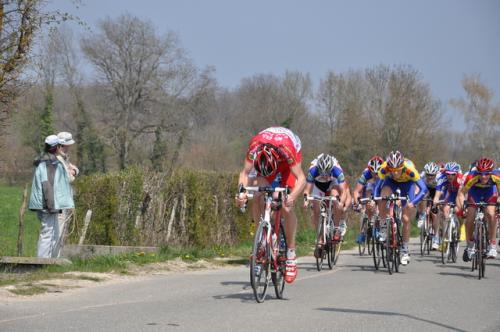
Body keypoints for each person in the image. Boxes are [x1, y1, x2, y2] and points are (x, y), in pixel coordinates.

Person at [236, 127, 306, 283]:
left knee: (286, 206)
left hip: (288, 163)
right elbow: (244, 174)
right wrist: (240, 193)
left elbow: (302, 179)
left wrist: (292, 196)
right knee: (257, 195)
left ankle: (291, 254)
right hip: (266, 164)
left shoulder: (286, 148)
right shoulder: (254, 146)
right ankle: (259, 242)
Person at [375, 151, 428, 265]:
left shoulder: (410, 170)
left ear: (402, 166)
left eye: (398, 169)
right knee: (382, 197)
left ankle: (405, 249)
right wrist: (376, 198)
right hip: (391, 183)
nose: (395, 172)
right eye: (392, 170)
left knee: (405, 218)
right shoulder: (384, 168)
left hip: (407, 184)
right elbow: (377, 187)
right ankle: (384, 226)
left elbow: (423, 189)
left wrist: (413, 202)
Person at [28, 135, 74, 258]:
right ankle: (42, 262)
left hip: (46, 203)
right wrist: (51, 206)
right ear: (57, 147)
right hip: (48, 203)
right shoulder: (49, 163)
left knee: (52, 233)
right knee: (47, 233)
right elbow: (47, 185)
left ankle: (50, 262)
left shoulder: (46, 160)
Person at [303, 153, 349, 258]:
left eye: (327, 173)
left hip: (333, 184)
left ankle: (336, 228)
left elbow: (344, 191)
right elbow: (307, 189)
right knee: (315, 208)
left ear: (331, 169)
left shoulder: (337, 170)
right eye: (322, 173)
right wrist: (306, 200)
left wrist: (341, 202)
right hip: (318, 186)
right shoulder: (313, 170)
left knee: (336, 200)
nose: (324, 176)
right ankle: (320, 236)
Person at [457, 157, 500, 260]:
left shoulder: (497, 176)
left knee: (491, 214)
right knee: (470, 217)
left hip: (489, 193)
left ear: (491, 172)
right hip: (474, 193)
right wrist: (463, 207)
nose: (483, 176)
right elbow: (461, 193)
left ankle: (492, 245)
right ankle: (470, 245)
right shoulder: (471, 176)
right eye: (480, 173)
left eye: (486, 173)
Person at [55, 131, 79, 257]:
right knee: (57, 231)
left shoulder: (64, 158)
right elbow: (69, 177)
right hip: (59, 201)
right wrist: (73, 172)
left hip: (62, 200)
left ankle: (56, 258)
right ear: (61, 146)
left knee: (61, 231)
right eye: (66, 145)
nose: (68, 148)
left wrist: (73, 170)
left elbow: (74, 169)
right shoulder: (58, 159)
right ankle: (52, 259)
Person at [432, 162, 464, 249]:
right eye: (448, 174)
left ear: (456, 173)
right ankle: (446, 236)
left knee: (459, 210)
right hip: (449, 193)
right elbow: (437, 195)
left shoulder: (460, 179)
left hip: (458, 193)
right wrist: (435, 203)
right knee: (445, 210)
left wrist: (462, 207)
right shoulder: (442, 178)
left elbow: (461, 195)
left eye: (453, 174)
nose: (450, 176)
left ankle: (459, 228)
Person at [352, 156, 384, 243]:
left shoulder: (385, 173)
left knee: (381, 206)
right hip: (370, 189)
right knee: (366, 207)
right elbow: (356, 191)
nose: (376, 175)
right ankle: (363, 231)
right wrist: (357, 203)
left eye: (378, 173)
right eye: (373, 173)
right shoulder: (366, 174)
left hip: (381, 189)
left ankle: (379, 227)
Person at [416, 161, 441, 249]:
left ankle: (436, 237)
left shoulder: (439, 178)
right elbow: (418, 189)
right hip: (426, 190)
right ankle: (422, 215)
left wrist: (437, 201)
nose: (430, 177)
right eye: (428, 175)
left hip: (436, 191)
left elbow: (441, 191)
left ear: (435, 174)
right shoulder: (422, 176)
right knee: (422, 197)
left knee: (434, 214)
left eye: (432, 175)